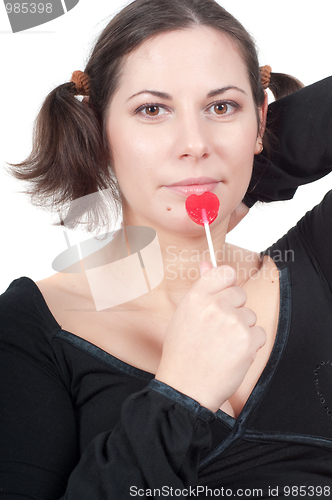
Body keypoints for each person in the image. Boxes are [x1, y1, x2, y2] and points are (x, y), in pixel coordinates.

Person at [1, 0, 331, 498]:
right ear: (98, 132)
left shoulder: (319, 260)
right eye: (152, 110)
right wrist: (181, 395)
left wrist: (253, 165)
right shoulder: (27, 328)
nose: (194, 143)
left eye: (222, 107)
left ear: (260, 120)